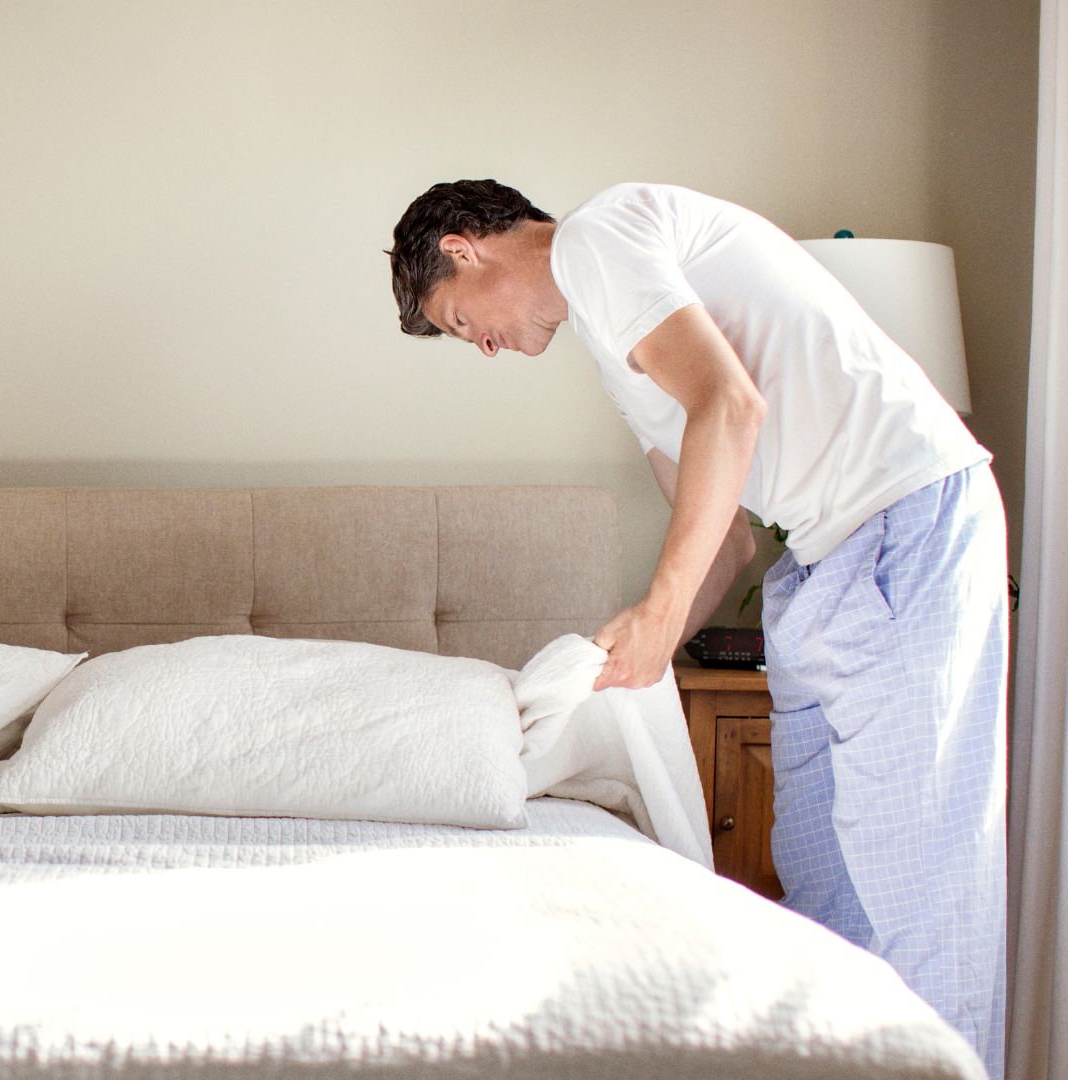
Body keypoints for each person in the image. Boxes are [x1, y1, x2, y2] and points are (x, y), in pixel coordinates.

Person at [387, 179, 1007, 1076]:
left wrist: (662, 609)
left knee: (916, 881)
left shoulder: (599, 238)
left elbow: (732, 405)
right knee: (822, 878)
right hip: (831, 563)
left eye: (457, 321)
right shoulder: (614, 345)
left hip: (902, 525)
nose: (482, 346)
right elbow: (728, 542)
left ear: (461, 247)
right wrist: (619, 661)